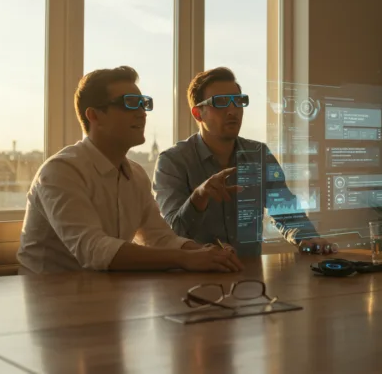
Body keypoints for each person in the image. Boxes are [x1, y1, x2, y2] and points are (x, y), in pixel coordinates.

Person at [17, 66, 244, 274]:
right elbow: (93, 249)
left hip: (104, 294)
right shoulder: (61, 171)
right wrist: (185, 258)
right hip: (47, 296)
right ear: (94, 116)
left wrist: (205, 253)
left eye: (143, 104)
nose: (142, 113)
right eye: (129, 103)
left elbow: (159, 238)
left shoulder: (135, 175)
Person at [153, 67, 334, 256]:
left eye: (238, 101)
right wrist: (199, 197)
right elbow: (171, 235)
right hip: (197, 272)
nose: (232, 110)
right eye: (220, 102)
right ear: (198, 114)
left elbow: (285, 210)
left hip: (252, 272)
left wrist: (308, 238)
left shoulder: (259, 154)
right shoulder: (172, 162)